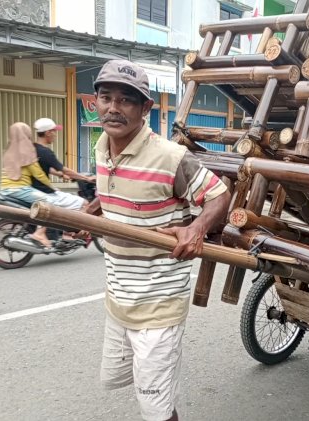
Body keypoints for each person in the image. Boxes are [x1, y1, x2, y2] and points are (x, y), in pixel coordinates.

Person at [94, 59, 231, 421]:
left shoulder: (171, 157)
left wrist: (196, 228)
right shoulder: (101, 145)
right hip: (118, 295)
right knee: (123, 380)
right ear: (94, 102)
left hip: (158, 302)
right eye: (106, 97)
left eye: (125, 100)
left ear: (145, 109)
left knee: (156, 407)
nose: (113, 107)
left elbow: (219, 194)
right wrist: (92, 212)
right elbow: (113, 188)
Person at [0, 122, 54, 248]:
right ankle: (40, 233)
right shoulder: (26, 150)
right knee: (48, 202)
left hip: (5, 190)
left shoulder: (9, 149)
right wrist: (51, 186)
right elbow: (38, 174)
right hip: (20, 189)